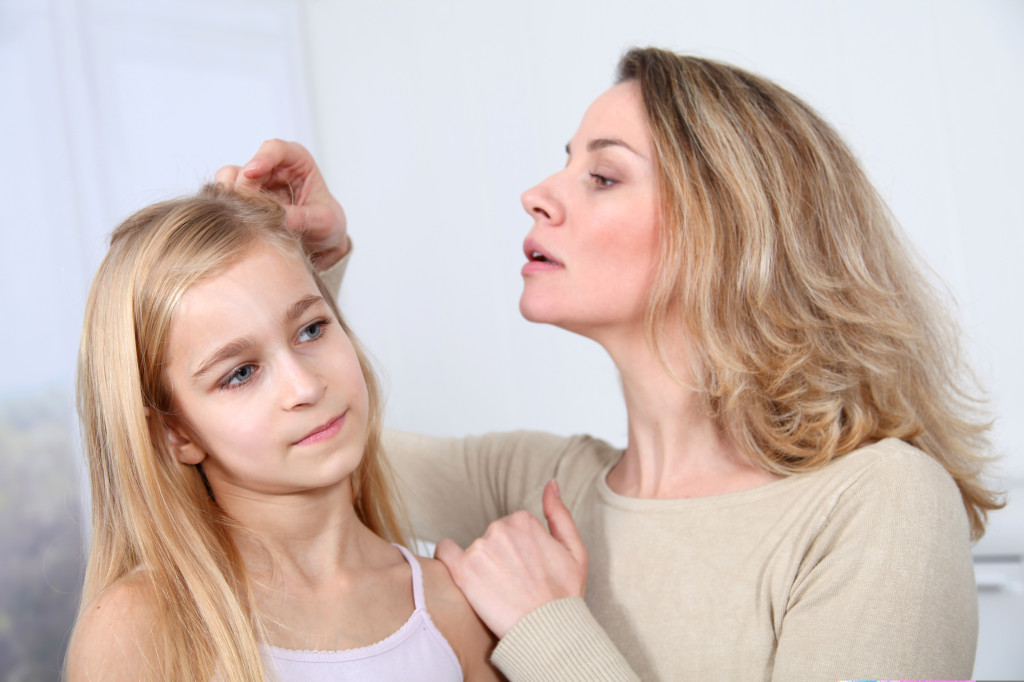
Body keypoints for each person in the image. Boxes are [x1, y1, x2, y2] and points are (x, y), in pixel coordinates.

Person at [216, 48, 1003, 680]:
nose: (537, 194)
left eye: (603, 176)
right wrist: (309, 271)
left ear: (726, 234)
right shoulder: (537, 486)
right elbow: (281, 441)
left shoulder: (882, 503)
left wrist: (545, 630)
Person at [65, 184, 502, 681]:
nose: (305, 386)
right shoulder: (140, 629)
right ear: (176, 434)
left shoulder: (454, 609)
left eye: (312, 329)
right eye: (240, 373)